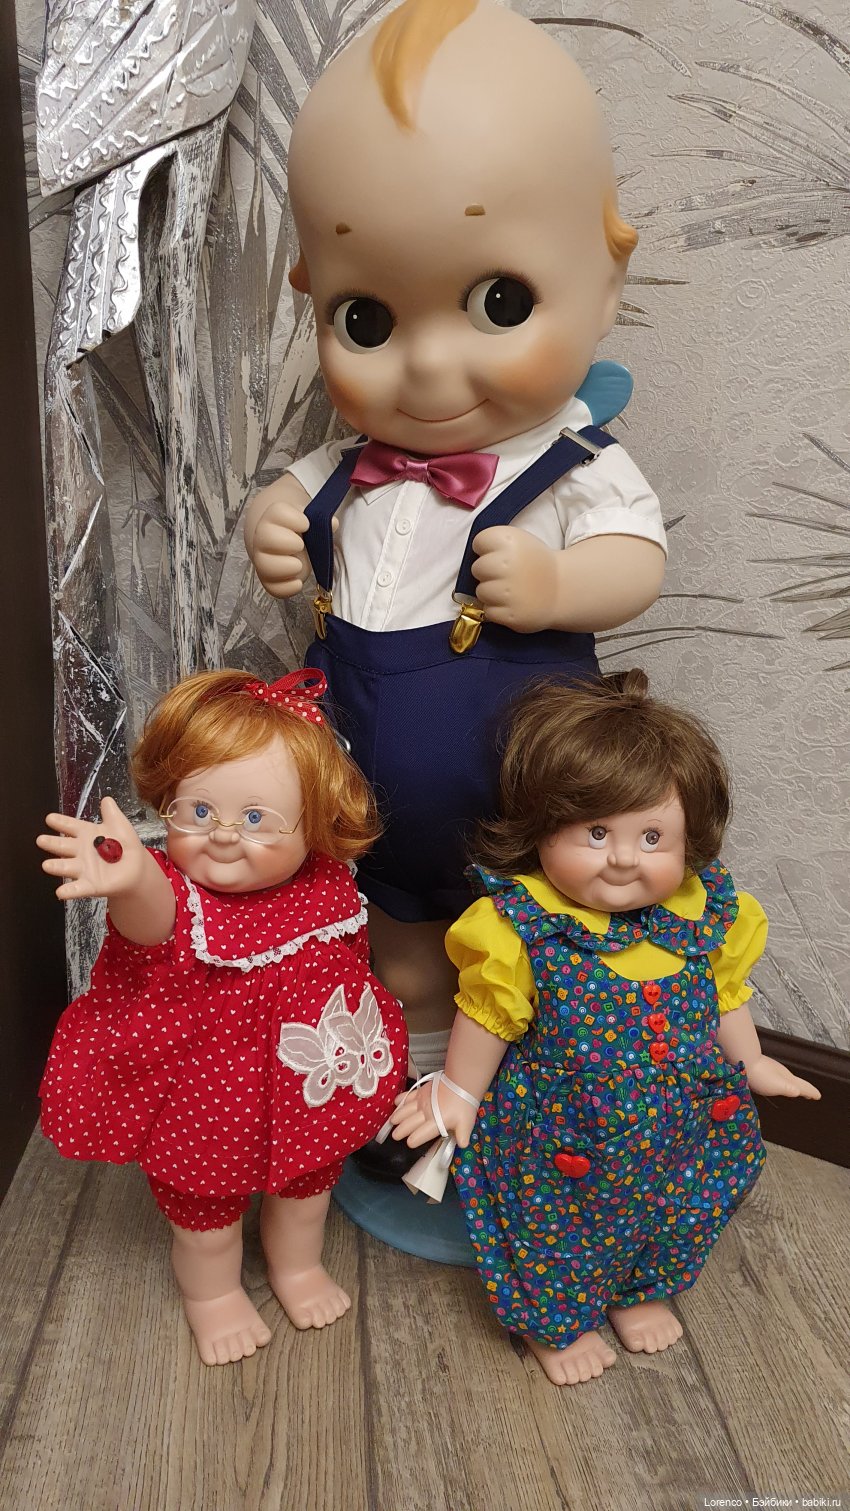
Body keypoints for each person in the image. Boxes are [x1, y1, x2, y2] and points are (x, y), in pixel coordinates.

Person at [243, 0, 667, 1114]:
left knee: (519, 946)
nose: (429, 366)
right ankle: (416, 1084)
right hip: (361, 778)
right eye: (367, 320)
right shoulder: (345, 463)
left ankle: (508, 1104)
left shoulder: (571, 463)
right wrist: (271, 525)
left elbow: (636, 559)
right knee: (398, 940)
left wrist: (562, 583)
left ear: (606, 277)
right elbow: (285, 500)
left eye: (498, 301)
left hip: (516, 788)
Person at [388, 672, 820, 1385]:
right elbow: (489, 1015)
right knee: (553, 1233)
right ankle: (554, 1325)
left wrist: (753, 1062)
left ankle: (639, 1289)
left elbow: (722, 997)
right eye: (596, 833)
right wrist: (458, 1093)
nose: (623, 857)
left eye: (652, 837)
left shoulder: (702, 915)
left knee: (676, 1208)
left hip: (680, 1125)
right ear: (540, 828)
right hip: (562, 1133)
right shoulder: (524, 927)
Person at [37, 668, 407, 1365]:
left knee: (307, 1194)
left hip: (310, 1086)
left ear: (314, 822)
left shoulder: (327, 885)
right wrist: (131, 879)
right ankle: (212, 1297)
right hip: (207, 1104)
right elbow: (151, 917)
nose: (225, 835)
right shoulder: (178, 899)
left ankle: (296, 1267)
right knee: (206, 1223)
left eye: (258, 818)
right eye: (199, 811)